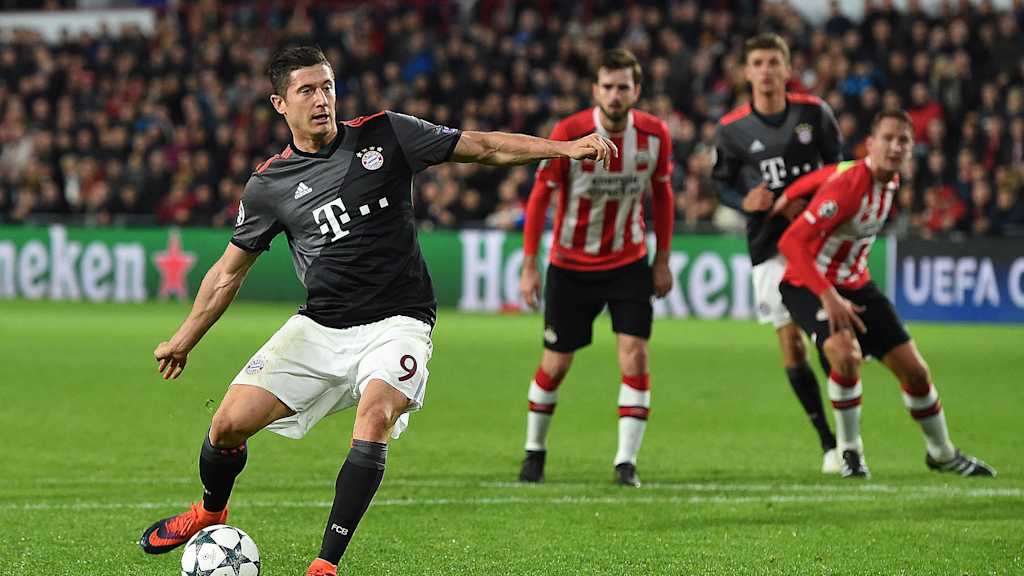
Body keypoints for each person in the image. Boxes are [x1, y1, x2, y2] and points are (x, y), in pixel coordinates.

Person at [136, 45, 617, 576]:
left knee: (376, 415)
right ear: (279, 103)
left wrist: (564, 148)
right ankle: (209, 510)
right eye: (307, 91)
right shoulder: (271, 184)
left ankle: (325, 564)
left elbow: (480, 147)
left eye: (327, 87)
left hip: (399, 321)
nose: (322, 100)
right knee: (226, 425)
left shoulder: (386, 134)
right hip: (321, 324)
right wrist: (184, 338)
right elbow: (228, 272)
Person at [774, 109, 995, 478]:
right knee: (844, 354)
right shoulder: (850, 186)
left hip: (857, 282)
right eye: (887, 139)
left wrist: (791, 194)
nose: (895, 147)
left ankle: (942, 453)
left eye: (903, 141)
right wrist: (829, 297)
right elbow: (791, 242)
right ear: (870, 145)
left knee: (916, 373)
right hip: (807, 283)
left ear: (911, 149)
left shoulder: (888, 182)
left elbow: (824, 172)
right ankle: (850, 452)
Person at [517, 49, 674, 487]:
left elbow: (662, 196)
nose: (615, 93)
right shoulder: (569, 133)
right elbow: (540, 197)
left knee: (636, 354)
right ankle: (534, 452)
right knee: (556, 363)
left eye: (624, 86)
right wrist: (530, 265)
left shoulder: (656, 136)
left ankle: (626, 462)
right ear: (595, 90)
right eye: (608, 85)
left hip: (629, 263)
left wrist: (662, 259)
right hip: (570, 265)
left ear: (636, 90)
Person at [712, 33, 843, 473]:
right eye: (758, 62)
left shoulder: (815, 114)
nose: (766, 70)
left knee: (832, 339)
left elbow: (838, 170)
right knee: (791, 343)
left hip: (818, 241)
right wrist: (742, 201)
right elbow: (723, 183)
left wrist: (818, 201)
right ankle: (828, 442)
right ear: (747, 72)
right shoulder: (731, 131)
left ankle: (848, 440)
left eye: (774, 62)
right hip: (769, 247)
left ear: (787, 69)